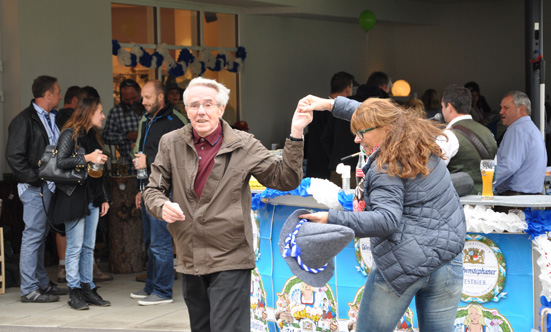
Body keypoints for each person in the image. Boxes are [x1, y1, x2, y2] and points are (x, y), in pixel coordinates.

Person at [142, 77, 312, 331]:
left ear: (221, 109)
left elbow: (285, 179)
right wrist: (161, 205)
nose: (201, 111)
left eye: (208, 104)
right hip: (189, 254)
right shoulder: (171, 142)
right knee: (202, 327)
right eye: (195, 105)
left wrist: (296, 133)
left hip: (230, 255)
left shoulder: (244, 144)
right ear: (186, 110)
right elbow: (153, 189)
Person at [298, 95, 465, 331]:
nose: (357, 139)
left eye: (361, 134)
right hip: (448, 260)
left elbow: (386, 221)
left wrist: (330, 218)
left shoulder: (385, 165)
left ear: (386, 130)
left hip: (403, 263)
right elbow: (375, 118)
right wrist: (330, 105)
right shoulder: (420, 139)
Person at [6, 75, 69, 302]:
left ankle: (40, 283)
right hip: (36, 187)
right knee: (33, 235)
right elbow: (14, 156)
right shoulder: (24, 120)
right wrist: (35, 179)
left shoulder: (53, 117)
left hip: (48, 185)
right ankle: (30, 288)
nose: (61, 96)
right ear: (48, 95)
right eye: (58, 91)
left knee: (40, 235)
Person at [48, 97, 111, 310]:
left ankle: (88, 288)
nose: (103, 115)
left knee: (88, 246)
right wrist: (88, 157)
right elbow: (61, 162)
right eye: (100, 111)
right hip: (73, 196)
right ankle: (74, 291)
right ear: (89, 112)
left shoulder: (93, 135)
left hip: (92, 197)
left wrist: (103, 198)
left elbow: (97, 173)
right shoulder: (70, 133)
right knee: (74, 247)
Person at [130, 80, 187, 306]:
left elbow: (181, 158)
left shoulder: (174, 121)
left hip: (167, 191)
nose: (142, 101)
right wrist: (140, 189)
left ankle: (162, 292)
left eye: (147, 97)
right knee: (150, 240)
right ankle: (151, 286)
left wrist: (148, 161)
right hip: (149, 189)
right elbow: (142, 156)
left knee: (160, 241)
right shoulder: (147, 120)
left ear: (160, 98)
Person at [440, 85, 497, 194]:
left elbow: (433, 175)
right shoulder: (488, 133)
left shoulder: (447, 136)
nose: (442, 111)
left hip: (458, 204)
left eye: (442, 107)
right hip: (486, 203)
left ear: (449, 107)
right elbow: (494, 175)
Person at [494, 91, 547, 195]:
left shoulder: (517, 129)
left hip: (515, 200)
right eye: (501, 108)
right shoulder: (531, 129)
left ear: (522, 109)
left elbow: (508, 165)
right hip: (529, 197)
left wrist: (483, 183)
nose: (501, 112)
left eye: (506, 108)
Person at [306, 71, 354, 180]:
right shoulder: (341, 113)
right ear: (347, 88)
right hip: (331, 169)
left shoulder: (316, 109)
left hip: (314, 165)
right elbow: (326, 139)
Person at [319, 72, 358, 186]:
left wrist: (335, 158)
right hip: (354, 168)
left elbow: (325, 138)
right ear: (347, 88)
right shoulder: (333, 110)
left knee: (334, 201)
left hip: (335, 167)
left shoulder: (319, 108)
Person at [102, 79, 144, 174]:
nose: (131, 102)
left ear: (140, 92)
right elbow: (106, 137)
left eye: (134, 98)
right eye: (126, 100)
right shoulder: (116, 112)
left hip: (151, 166)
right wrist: (126, 136)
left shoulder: (149, 109)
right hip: (129, 168)